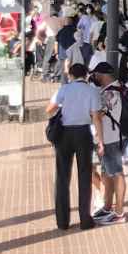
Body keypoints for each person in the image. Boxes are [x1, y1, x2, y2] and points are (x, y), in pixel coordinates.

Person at [47, 64, 100, 231]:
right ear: (85, 75)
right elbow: (96, 117)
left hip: (64, 135)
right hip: (83, 134)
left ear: (70, 75)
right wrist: (100, 139)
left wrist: (64, 108)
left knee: (62, 177)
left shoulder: (64, 89)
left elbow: (50, 109)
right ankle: (85, 220)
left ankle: (62, 222)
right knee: (84, 176)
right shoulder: (92, 91)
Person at [90, 64, 127, 226]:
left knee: (117, 173)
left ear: (102, 74)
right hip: (111, 138)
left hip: (111, 139)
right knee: (107, 173)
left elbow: (97, 115)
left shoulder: (109, 93)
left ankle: (119, 213)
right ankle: (107, 206)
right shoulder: (115, 89)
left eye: (96, 74)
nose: (94, 78)